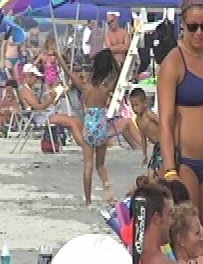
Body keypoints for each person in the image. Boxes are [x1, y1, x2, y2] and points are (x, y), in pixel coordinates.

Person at [158, 0, 203, 234]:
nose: (199, 33)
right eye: (193, 27)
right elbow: (165, 122)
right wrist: (169, 171)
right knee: (187, 237)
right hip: (184, 163)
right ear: (182, 25)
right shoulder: (173, 63)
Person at [66, 49, 119, 206]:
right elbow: (118, 73)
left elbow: (69, 74)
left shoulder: (85, 87)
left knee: (88, 165)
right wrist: (112, 59)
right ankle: (106, 184)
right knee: (101, 164)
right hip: (102, 125)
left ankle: (88, 201)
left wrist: (59, 58)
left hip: (89, 126)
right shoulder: (106, 88)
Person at [20, 63, 85, 148]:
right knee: (72, 122)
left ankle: (85, 142)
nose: (36, 80)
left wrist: (53, 99)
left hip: (43, 114)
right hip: (40, 117)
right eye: (35, 77)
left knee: (76, 120)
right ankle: (84, 145)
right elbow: (38, 107)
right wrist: (51, 99)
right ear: (28, 76)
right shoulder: (26, 91)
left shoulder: (28, 89)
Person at [129, 88, 161, 177]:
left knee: (160, 172)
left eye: (136, 105)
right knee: (150, 173)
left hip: (163, 145)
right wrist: (144, 154)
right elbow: (143, 137)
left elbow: (163, 125)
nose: (134, 109)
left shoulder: (149, 115)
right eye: (132, 106)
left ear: (144, 103)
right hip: (156, 147)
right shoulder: (137, 120)